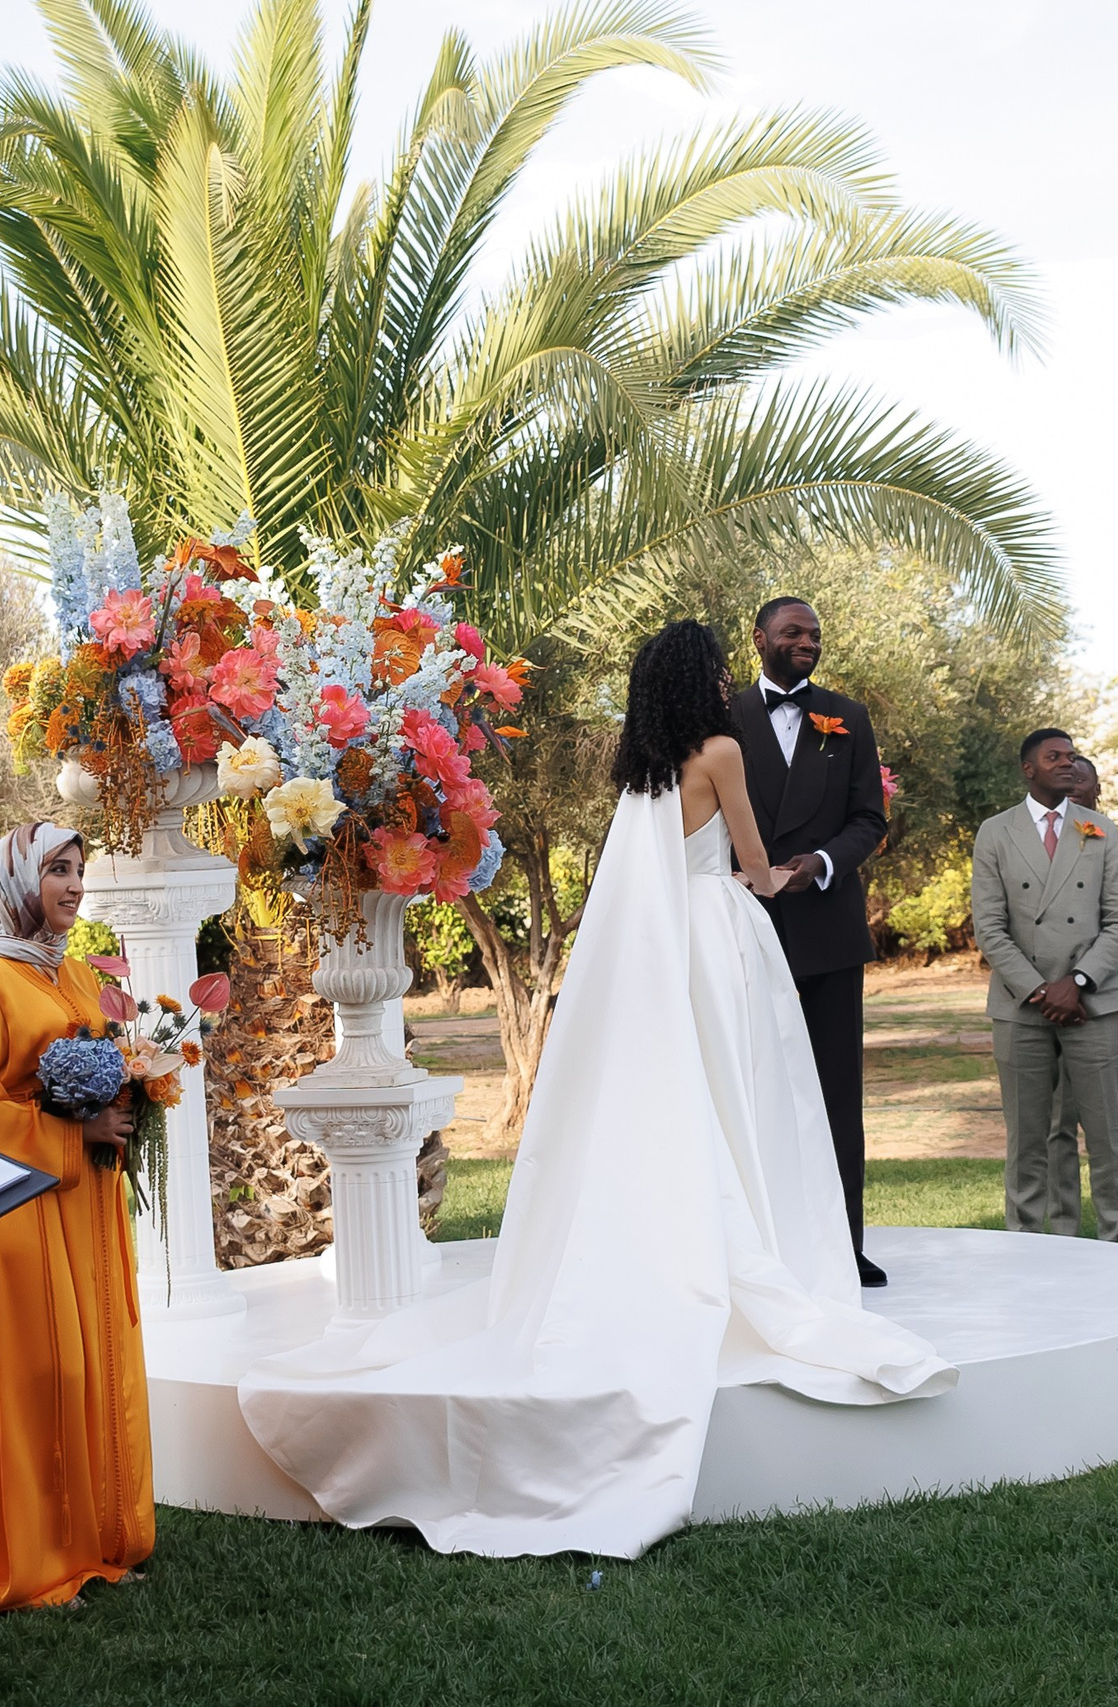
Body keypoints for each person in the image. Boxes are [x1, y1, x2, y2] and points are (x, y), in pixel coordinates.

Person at [238, 621, 954, 1560]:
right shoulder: (723, 751)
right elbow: (749, 861)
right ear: (702, 681)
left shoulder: (642, 769)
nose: (728, 680)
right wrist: (780, 875)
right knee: (743, 1096)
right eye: (718, 669)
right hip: (719, 936)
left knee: (686, 1098)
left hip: (661, 948)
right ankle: (763, 1242)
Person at [0, 823, 154, 1609]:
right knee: (50, 1372)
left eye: (77, 869)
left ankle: (103, 1539)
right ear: (13, 882)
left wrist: (137, 1093)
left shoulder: (69, 971)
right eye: (56, 869)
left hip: (86, 1202)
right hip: (23, 1204)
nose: (73, 884)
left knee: (99, 1360)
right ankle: (41, 1560)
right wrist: (74, 1132)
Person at [729, 596, 891, 1285]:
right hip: (743, 927)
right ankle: (754, 1252)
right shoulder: (723, 714)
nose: (808, 642)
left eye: (815, 634)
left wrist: (820, 864)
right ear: (759, 638)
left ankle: (844, 1248)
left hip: (827, 931)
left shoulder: (847, 716)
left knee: (835, 1094)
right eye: (793, 632)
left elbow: (869, 818)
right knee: (748, 1090)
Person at [969, 729, 1118, 1243]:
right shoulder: (995, 832)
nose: (1068, 763)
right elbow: (989, 927)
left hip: (1095, 1001)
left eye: (1071, 755)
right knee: (1027, 1138)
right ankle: (1024, 1242)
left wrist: (1079, 982)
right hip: (1022, 1005)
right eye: (1055, 757)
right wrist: (1041, 991)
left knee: (1108, 1135)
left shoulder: (1102, 829)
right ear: (1029, 769)